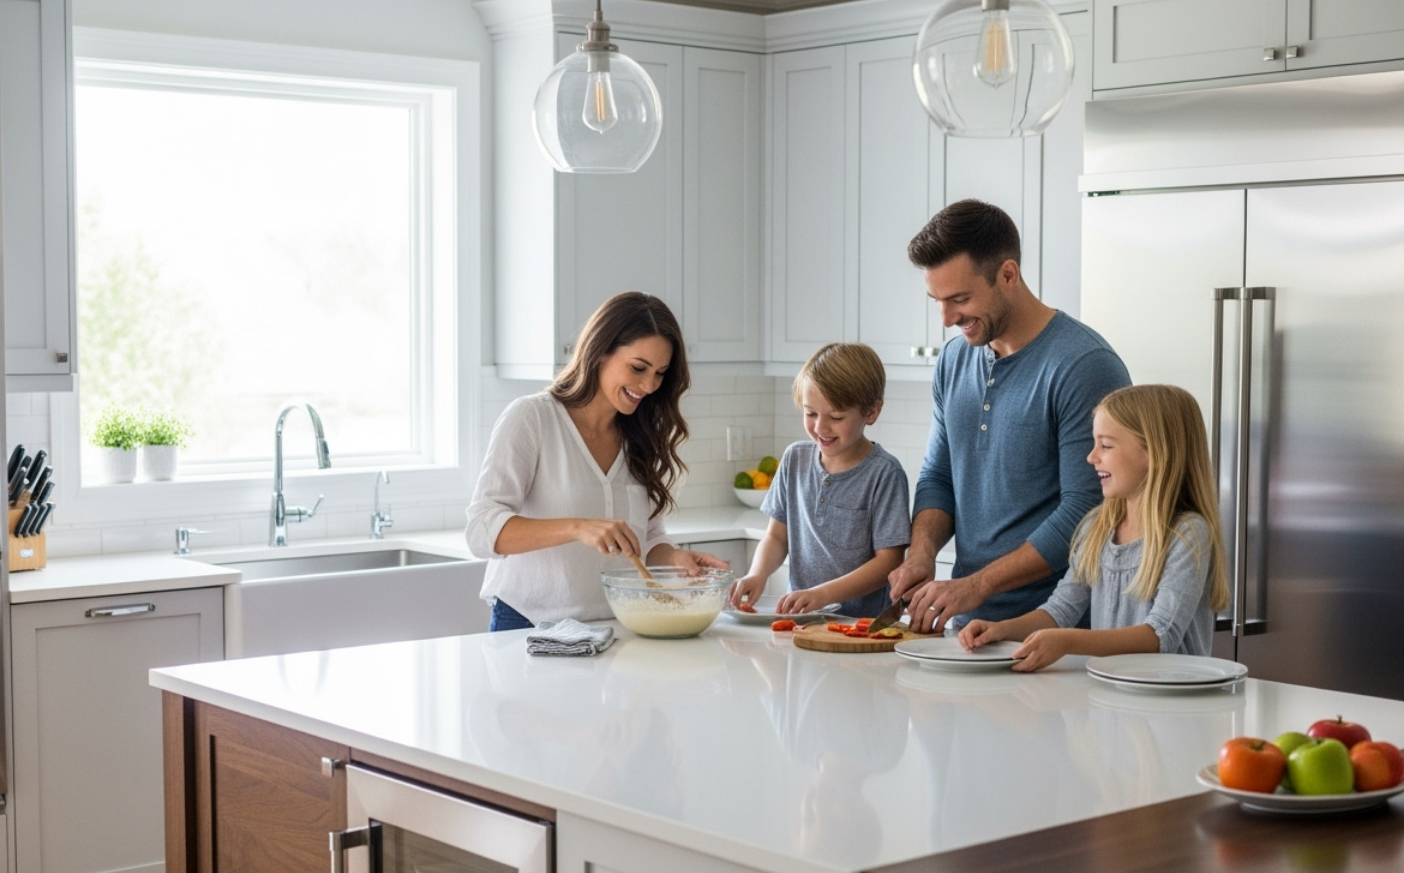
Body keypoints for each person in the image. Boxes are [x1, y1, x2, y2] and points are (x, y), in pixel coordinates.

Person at [888, 199, 1131, 633]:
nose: (946, 319)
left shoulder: (1083, 365)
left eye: (959, 299)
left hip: (1059, 633)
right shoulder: (953, 361)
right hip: (968, 629)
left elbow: (1086, 510)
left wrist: (977, 585)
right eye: (937, 301)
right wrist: (922, 552)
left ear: (1008, 275)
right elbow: (938, 476)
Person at [466, 292, 726, 631]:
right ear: (600, 351)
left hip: (615, 627)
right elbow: (481, 531)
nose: (649, 385)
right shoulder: (532, 418)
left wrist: (674, 559)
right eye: (637, 368)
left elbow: (647, 536)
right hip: (530, 625)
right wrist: (578, 527)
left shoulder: (642, 435)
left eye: (660, 373)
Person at [958, 384, 1230, 671]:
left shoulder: (1187, 534)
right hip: (1114, 696)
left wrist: (1068, 642)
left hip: (1175, 708)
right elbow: (1060, 611)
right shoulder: (1097, 528)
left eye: (1106, 445)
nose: (1091, 456)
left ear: (1153, 452)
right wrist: (1001, 630)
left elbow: (1160, 635)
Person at [729, 342, 910, 617]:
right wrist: (758, 574)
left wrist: (822, 594)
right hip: (801, 621)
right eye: (810, 413)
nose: (820, 427)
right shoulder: (795, 459)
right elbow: (777, 537)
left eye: (836, 417)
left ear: (871, 412)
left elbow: (889, 562)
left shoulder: (884, 474)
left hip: (860, 628)